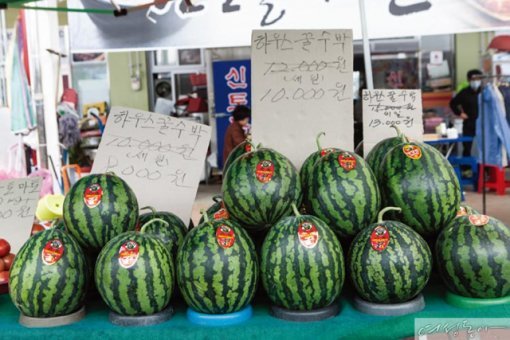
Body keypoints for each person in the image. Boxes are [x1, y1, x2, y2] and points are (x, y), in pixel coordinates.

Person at [449, 69, 483, 157]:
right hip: (469, 123)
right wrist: (460, 113)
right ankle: (466, 168)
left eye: (478, 79)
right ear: (468, 80)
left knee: (483, 147)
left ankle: (483, 168)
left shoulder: (485, 92)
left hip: (482, 123)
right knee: (467, 147)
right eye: (473, 79)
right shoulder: (464, 93)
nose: (476, 81)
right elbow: (453, 103)